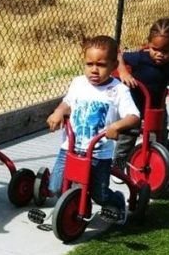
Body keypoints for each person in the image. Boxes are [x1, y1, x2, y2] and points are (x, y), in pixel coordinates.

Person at [45, 35, 140, 224]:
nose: (94, 70)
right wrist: (58, 112)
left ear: (114, 66)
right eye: (89, 64)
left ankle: (117, 202)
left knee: (100, 194)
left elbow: (134, 116)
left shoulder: (118, 90)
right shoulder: (78, 82)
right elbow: (67, 103)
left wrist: (116, 126)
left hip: (98, 153)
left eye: (101, 65)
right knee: (55, 187)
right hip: (70, 148)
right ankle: (75, 203)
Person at [113, 17, 169, 170]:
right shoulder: (140, 58)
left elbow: (166, 71)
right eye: (154, 49)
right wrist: (123, 72)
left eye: (165, 51)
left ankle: (159, 165)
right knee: (127, 137)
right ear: (149, 45)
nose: (159, 54)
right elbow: (118, 56)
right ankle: (118, 167)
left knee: (159, 135)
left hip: (157, 106)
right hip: (135, 107)